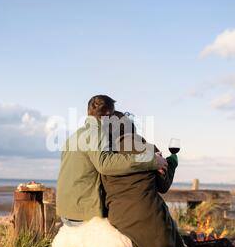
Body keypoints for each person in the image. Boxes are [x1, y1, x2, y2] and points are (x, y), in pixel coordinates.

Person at [101, 111, 197, 247]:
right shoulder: (148, 150)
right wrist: (172, 162)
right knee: (171, 238)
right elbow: (163, 185)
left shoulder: (105, 157)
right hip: (148, 216)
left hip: (118, 219)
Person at [56, 95, 168, 225]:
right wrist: (151, 160)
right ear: (108, 114)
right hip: (83, 214)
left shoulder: (74, 136)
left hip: (67, 209)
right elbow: (105, 164)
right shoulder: (97, 133)